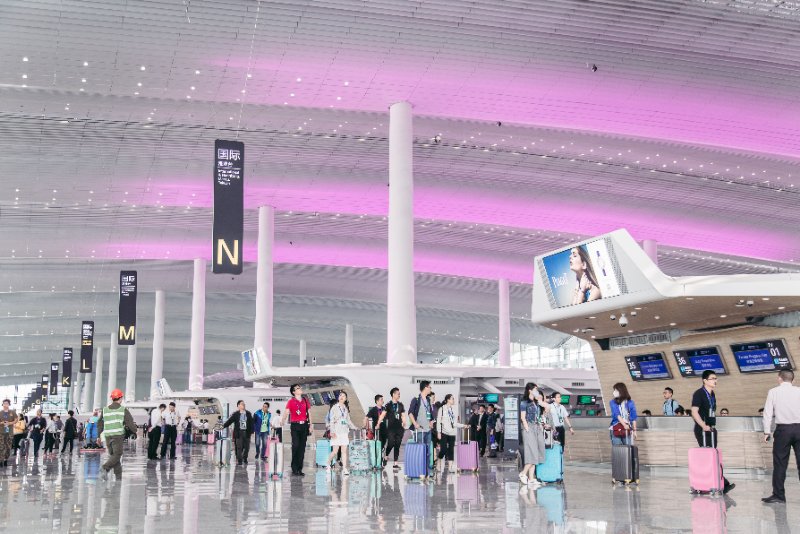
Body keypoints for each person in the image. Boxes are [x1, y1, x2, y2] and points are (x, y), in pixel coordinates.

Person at [691, 370, 734, 494]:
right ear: (705, 380)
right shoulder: (699, 393)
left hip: (711, 428)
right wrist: (703, 426)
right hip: (703, 429)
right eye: (712, 378)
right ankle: (720, 483)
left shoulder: (712, 394)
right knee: (709, 458)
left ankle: (719, 483)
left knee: (714, 457)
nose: (715, 380)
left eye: (716, 378)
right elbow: (694, 411)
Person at [761, 369, 800, 504]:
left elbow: (767, 413)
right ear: (793, 380)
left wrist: (767, 432)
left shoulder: (773, 392)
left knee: (780, 463)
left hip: (783, 430)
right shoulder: (799, 391)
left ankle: (779, 495)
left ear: (779, 378)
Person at [97, 389, 138, 481]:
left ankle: (118, 478)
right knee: (117, 454)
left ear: (112, 398)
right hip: (118, 436)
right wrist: (134, 430)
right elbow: (130, 422)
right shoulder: (123, 409)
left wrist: (98, 435)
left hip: (108, 436)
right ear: (121, 398)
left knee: (114, 456)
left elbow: (100, 423)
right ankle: (105, 468)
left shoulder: (105, 410)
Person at [518, 383, 551, 487]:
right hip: (529, 428)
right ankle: (523, 473)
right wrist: (527, 428)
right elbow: (523, 417)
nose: (537, 391)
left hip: (537, 428)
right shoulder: (524, 403)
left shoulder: (536, 402)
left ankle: (531, 479)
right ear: (530, 390)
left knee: (536, 452)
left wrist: (540, 400)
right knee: (532, 452)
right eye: (535, 389)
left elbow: (548, 407)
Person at [325, 391, 359, 475]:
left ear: (345, 399)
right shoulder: (334, 407)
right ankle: (327, 463)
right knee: (335, 451)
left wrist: (354, 427)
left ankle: (344, 468)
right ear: (338, 397)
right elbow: (331, 420)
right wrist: (332, 432)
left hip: (344, 432)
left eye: (343, 396)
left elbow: (348, 421)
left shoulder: (345, 408)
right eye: (340, 395)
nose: (341, 397)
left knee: (344, 451)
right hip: (336, 432)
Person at [282, 384, 311, 476]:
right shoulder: (291, 401)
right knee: (296, 445)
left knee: (302, 448)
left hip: (304, 425)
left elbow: (309, 412)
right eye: (298, 388)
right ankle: (294, 467)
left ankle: (299, 469)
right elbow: (286, 412)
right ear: (293, 392)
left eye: (300, 387)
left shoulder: (305, 400)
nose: (300, 389)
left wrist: (311, 425)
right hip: (295, 426)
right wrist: (282, 421)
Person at [436, 394, 467, 472]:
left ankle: (450, 467)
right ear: (448, 400)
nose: (453, 400)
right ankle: (438, 461)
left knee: (451, 450)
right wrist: (439, 432)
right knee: (443, 449)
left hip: (452, 432)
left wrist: (463, 425)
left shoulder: (453, 410)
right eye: (452, 399)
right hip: (444, 432)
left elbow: (454, 423)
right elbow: (438, 422)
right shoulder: (441, 409)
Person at [381, 387, 407, 471]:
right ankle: (386, 456)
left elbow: (403, 415)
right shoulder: (388, 405)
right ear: (393, 394)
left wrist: (404, 422)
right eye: (398, 394)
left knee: (397, 445)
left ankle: (395, 463)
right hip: (391, 428)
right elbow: (383, 414)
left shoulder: (401, 405)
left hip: (399, 428)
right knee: (391, 443)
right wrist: (378, 423)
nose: (399, 395)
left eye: (399, 394)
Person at [223, 400, 254, 466]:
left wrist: (252, 431)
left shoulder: (248, 413)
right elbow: (230, 421)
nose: (243, 405)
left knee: (247, 447)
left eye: (244, 404)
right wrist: (223, 426)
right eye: (242, 404)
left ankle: (245, 458)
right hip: (239, 432)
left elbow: (251, 423)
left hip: (246, 432)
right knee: (239, 447)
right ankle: (239, 460)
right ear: (238, 406)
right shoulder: (236, 414)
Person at [408, 381, 434, 447]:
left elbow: (429, 412)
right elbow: (410, 413)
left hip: (428, 430)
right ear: (425, 388)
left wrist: (431, 421)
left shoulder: (428, 400)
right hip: (419, 430)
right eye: (429, 387)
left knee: (428, 451)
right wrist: (415, 424)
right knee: (420, 450)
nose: (430, 389)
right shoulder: (416, 399)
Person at [0, 399, 18, 467]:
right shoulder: (0, 412)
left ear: (9, 404)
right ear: (2, 404)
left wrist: (10, 423)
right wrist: (2, 423)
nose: (5, 405)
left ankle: (5, 459)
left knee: (8, 447)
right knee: (1, 446)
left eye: (7, 403)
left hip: (9, 432)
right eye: (4, 403)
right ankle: (1, 460)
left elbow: (16, 420)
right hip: (1, 432)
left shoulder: (12, 412)